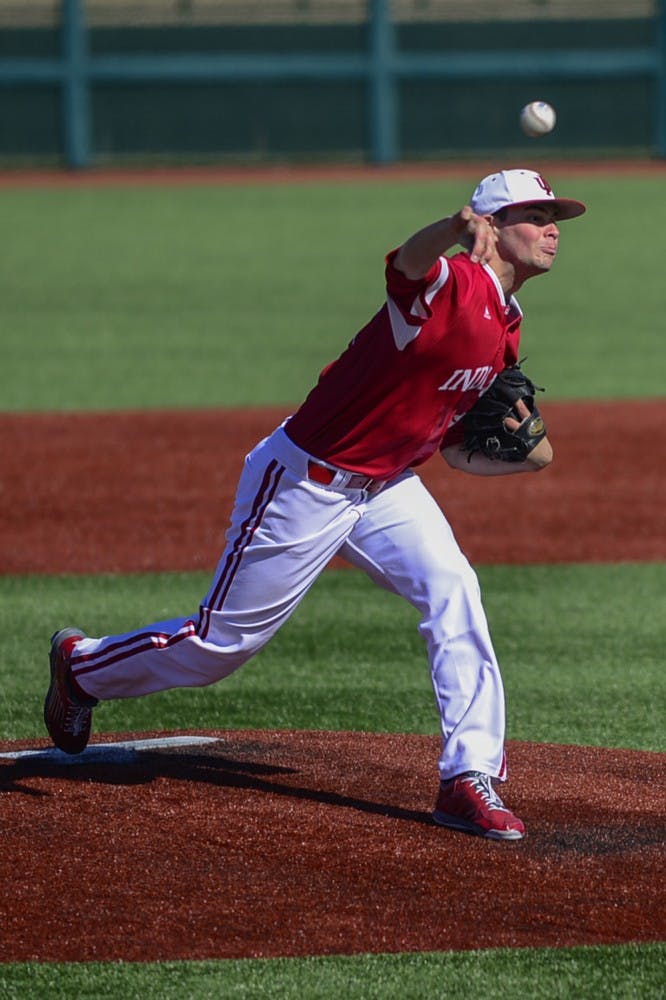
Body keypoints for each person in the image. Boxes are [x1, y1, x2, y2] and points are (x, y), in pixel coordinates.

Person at [44, 168, 585, 841]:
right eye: (534, 215)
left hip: (386, 486)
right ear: (492, 224)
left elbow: (450, 445)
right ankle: (82, 666)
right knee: (222, 645)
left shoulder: (507, 322)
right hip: (306, 482)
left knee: (454, 590)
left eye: (553, 214)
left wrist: (520, 459)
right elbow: (405, 267)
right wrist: (451, 229)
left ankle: (467, 777)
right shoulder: (453, 282)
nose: (551, 228)